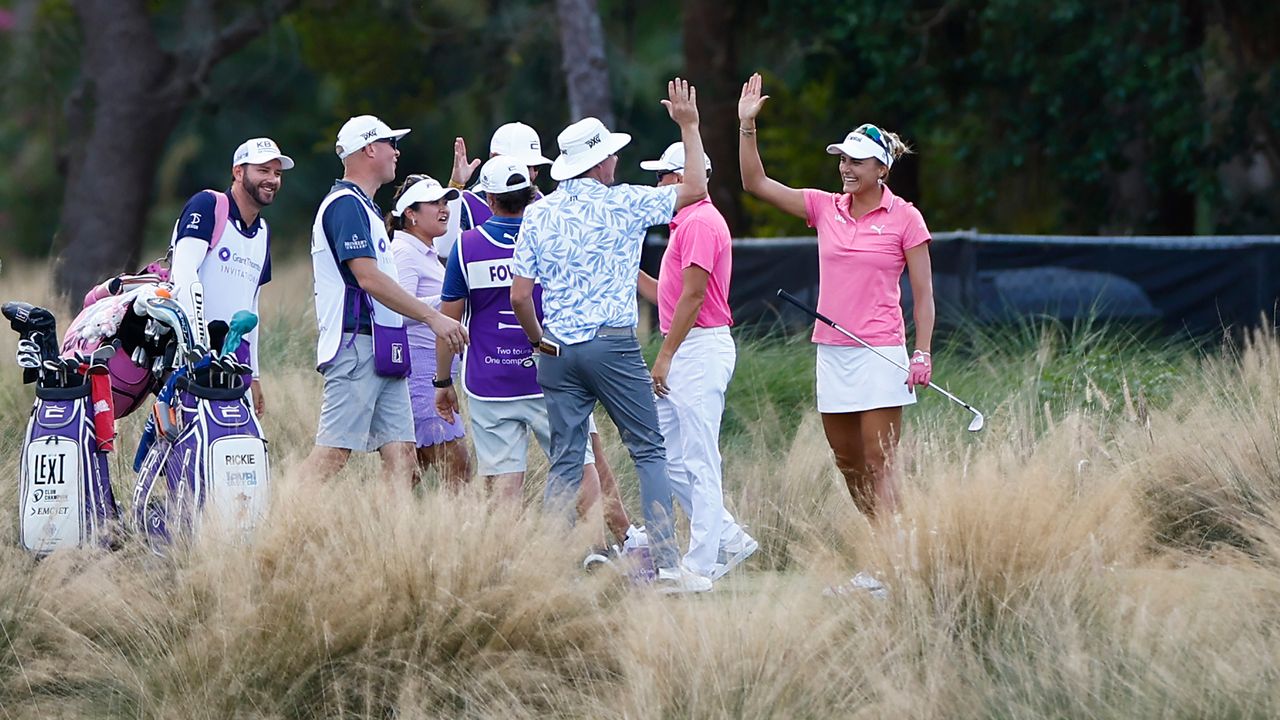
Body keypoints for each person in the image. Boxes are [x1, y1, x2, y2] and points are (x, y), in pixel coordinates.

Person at [511, 78, 712, 594]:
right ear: (598, 164)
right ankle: (667, 566)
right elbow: (694, 189)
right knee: (648, 449)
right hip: (611, 343)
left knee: (563, 461)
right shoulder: (622, 202)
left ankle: (548, 568)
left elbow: (519, 296)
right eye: (610, 158)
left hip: (557, 349)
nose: (615, 164)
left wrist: (538, 340)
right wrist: (689, 127)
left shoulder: (537, 212)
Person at [737, 72, 935, 596]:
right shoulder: (825, 207)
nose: (845, 168)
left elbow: (925, 295)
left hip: (884, 353)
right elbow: (756, 184)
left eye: (855, 160)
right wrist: (746, 127)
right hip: (833, 353)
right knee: (849, 464)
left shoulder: (906, 219)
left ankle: (891, 566)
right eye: (842, 160)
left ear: (881, 168)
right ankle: (890, 549)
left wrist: (923, 351)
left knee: (881, 461)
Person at [434, 156, 644, 555]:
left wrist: (442, 383)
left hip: (489, 382)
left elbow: (449, 324)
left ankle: (508, 569)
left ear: (490, 198)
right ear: (532, 195)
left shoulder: (467, 246)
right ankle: (597, 553)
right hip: (551, 376)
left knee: (504, 482)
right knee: (581, 466)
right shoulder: (554, 235)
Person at [300, 115, 468, 488]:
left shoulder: (367, 208)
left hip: (384, 349)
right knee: (333, 453)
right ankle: (273, 532)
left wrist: (457, 184)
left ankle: (394, 544)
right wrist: (433, 317)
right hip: (356, 343)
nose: (397, 152)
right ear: (369, 149)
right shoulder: (345, 205)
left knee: (404, 458)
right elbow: (368, 277)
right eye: (391, 143)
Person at [635, 141, 757, 581]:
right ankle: (730, 537)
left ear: (682, 178)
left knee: (700, 458)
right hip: (686, 344)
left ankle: (701, 564)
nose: (659, 184)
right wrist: (622, 266)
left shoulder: (701, 222)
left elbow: (694, 295)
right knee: (667, 457)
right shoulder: (683, 223)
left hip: (699, 348)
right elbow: (664, 296)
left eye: (663, 176)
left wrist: (665, 356)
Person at [169, 137, 293, 416]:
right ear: (238, 172)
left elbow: (252, 305)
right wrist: (199, 345)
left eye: (277, 173)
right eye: (263, 171)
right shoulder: (208, 205)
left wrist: (256, 375)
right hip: (194, 351)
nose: (272, 179)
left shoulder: (263, 232)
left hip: (238, 356)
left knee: (236, 443)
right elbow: (184, 273)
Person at [386, 174, 471, 488]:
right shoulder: (404, 252)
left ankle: (386, 532)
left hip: (429, 371)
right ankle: (464, 535)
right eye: (434, 203)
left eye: (445, 201)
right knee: (458, 468)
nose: (443, 208)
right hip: (419, 374)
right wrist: (448, 300)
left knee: (409, 473)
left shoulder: (427, 252)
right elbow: (397, 311)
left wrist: (457, 184)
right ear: (410, 213)